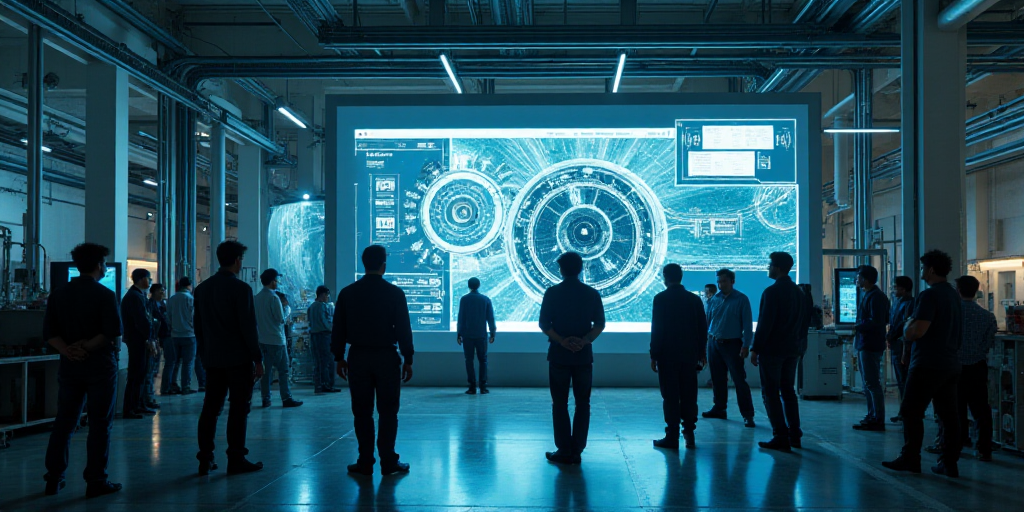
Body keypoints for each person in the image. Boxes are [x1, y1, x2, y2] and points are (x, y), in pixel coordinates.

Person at [42, 243, 123, 498]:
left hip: (70, 366)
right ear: (101, 265)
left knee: (64, 422)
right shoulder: (105, 295)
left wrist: (68, 351)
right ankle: (96, 480)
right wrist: (87, 346)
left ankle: (54, 478)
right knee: (100, 424)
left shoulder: (58, 294)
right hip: (100, 365)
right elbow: (111, 332)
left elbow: (50, 334)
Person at [333, 245, 415, 476]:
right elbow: (403, 329)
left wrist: (339, 357)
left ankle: (365, 462)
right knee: (388, 413)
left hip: (358, 357)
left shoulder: (348, 293)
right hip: (386, 358)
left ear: (363, 263)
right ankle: (388, 462)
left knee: (362, 412)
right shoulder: (395, 293)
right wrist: (408, 358)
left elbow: (338, 328)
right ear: (384, 265)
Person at [882, 249, 963, 478]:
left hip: (928, 363)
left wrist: (908, 325)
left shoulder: (929, 296)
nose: (920, 272)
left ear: (929, 269)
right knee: (949, 416)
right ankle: (949, 462)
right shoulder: (952, 294)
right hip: (950, 364)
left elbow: (916, 331)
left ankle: (910, 458)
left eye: (921, 268)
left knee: (911, 412)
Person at [194, 240, 265, 476]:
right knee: (238, 410)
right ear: (237, 260)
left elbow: (199, 328)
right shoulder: (241, 289)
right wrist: (257, 359)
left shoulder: (202, 289)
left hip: (213, 360)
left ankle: (205, 458)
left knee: (210, 409)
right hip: (238, 360)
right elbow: (248, 328)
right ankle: (235, 458)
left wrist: (205, 354)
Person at [538, 252, 606, 465]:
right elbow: (600, 325)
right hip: (583, 357)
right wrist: (584, 341)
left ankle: (564, 449)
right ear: (580, 269)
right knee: (583, 403)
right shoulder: (591, 294)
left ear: (561, 269)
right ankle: (577, 450)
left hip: (559, 355)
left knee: (559, 403)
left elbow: (544, 325)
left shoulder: (552, 293)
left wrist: (562, 341)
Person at [750, 252, 806, 453]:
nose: (768, 268)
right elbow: (804, 324)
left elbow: (765, 324)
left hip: (773, 351)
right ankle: (794, 434)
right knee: (788, 392)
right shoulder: (799, 293)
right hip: (793, 349)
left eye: (770, 265)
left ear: (778, 268)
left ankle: (780, 436)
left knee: (771, 393)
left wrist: (755, 349)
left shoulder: (771, 292)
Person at [650, 264, 708, 450]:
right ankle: (689, 434)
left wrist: (654, 355)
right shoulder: (694, 300)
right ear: (681, 277)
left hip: (667, 357)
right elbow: (702, 329)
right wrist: (701, 353)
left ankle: (672, 436)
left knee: (670, 396)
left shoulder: (660, 299)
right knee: (689, 395)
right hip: (689, 356)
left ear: (665, 277)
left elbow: (657, 330)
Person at [703, 268, 756, 428]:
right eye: (718, 281)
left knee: (739, 380)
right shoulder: (714, 299)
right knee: (718, 379)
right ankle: (719, 408)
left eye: (724, 281)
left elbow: (747, 325)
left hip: (733, 344)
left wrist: (746, 345)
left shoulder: (741, 299)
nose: (720, 285)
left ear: (732, 281)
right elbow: (707, 322)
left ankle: (748, 415)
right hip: (714, 342)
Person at [953, 275, 997, 461]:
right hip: (978, 367)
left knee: (955, 408)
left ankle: (957, 443)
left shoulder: (952, 314)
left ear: (958, 290)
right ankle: (984, 448)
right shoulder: (988, 316)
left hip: (954, 367)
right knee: (981, 409)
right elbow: (989, 344)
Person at [255, 269, 302, 408]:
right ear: (272, 281)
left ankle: (266, 398)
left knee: (266, 372)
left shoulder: (257, 297)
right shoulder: (274, 298)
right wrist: (287, 309)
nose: (278, 283)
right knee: (283, 371)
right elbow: (280, 319)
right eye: (276, 280)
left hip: (262, 339)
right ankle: (286, 398)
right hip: (276, 340)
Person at [853, 265, 891, 432]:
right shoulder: (870, 295)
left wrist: (858, 327)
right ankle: (872, 415)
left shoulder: (876, 297)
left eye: (859, 277)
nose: (856, 280)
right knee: (868, 383)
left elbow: (877, 321)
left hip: (870, 344)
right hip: (866, 343)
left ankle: (877, 418)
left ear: (866, 279)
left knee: (872, 383)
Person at [121, 268, 155, 419]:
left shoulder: (139, 296)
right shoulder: (134, 297)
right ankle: (131, 408)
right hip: (138, 340)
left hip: (140, 340)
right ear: (141, 279)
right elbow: (141, 321)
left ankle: (139, 404)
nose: (150, 281)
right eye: (149, 278)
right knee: (136, 375)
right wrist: (148, 339)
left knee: (141, 374)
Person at [457, 277, 496, 395]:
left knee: (469, 360)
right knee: (483, 360)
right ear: (479, 285)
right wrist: (492, 333)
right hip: (481, 335)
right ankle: (483, 386)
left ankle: (472, 387)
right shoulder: (485, 299)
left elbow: (461, 318)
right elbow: (490, 318)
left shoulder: (464, 299)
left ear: (468, 286)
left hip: (467, 335)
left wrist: (459, 334)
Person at [887, 276, 915, 423]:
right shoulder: (898, 302)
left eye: (895, 287)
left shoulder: (909, 304)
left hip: (902, 347)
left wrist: (891, 335)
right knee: (900, 379)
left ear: (903, 289)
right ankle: (903, 410)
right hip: (896, 345)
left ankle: (906, 412)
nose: (893, 289)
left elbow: (903, 325)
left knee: (904, 379)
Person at [165, 277, 198, 395]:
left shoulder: (172, 299)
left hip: (175, 335)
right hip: (189, 335)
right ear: (189, 285)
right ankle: (186, 387)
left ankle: (173, 384)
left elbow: (168, 316)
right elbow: (194, 317)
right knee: (188, 363)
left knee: (175, 362)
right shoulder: (191, 299)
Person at [308, 285, 340, 394]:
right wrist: (332, 330)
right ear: (323, 295)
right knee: (328, 361)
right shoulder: (322, 306)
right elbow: (325, 321)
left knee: (318, 361)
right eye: (327, 295)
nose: (328, 298)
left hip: (314, 336)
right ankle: (327, 385)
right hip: (324, 336)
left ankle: (319, 385)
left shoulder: (311, 306)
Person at [146, 283, 170, 410]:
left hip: (162, 337)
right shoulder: (150, 305)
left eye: (163, 291)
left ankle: (150, 396)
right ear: (154, 292)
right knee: (150, 369)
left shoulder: (163, 304)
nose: (163, 293)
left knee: (154, 369)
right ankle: (149, 397)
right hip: (154, 339)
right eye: (161, 291)